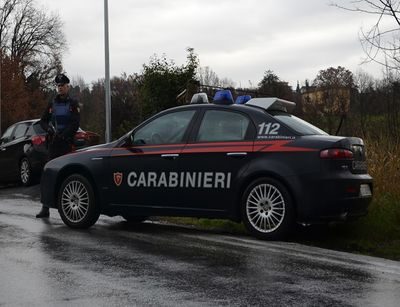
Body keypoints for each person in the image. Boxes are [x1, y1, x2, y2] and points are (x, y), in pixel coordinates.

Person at [36, 73, 80, 218]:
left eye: (63, 86)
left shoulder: (73, 103)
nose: (60, 88)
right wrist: (48, 129)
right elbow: (42, 121)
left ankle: (68, 207)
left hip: (67, 144)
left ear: (68, 86)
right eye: (58, 86)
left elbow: (75, 124)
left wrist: (64, 135)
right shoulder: (52, 103)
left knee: (68, 175)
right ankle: (45, 207)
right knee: (48, 174)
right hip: (54, 144)